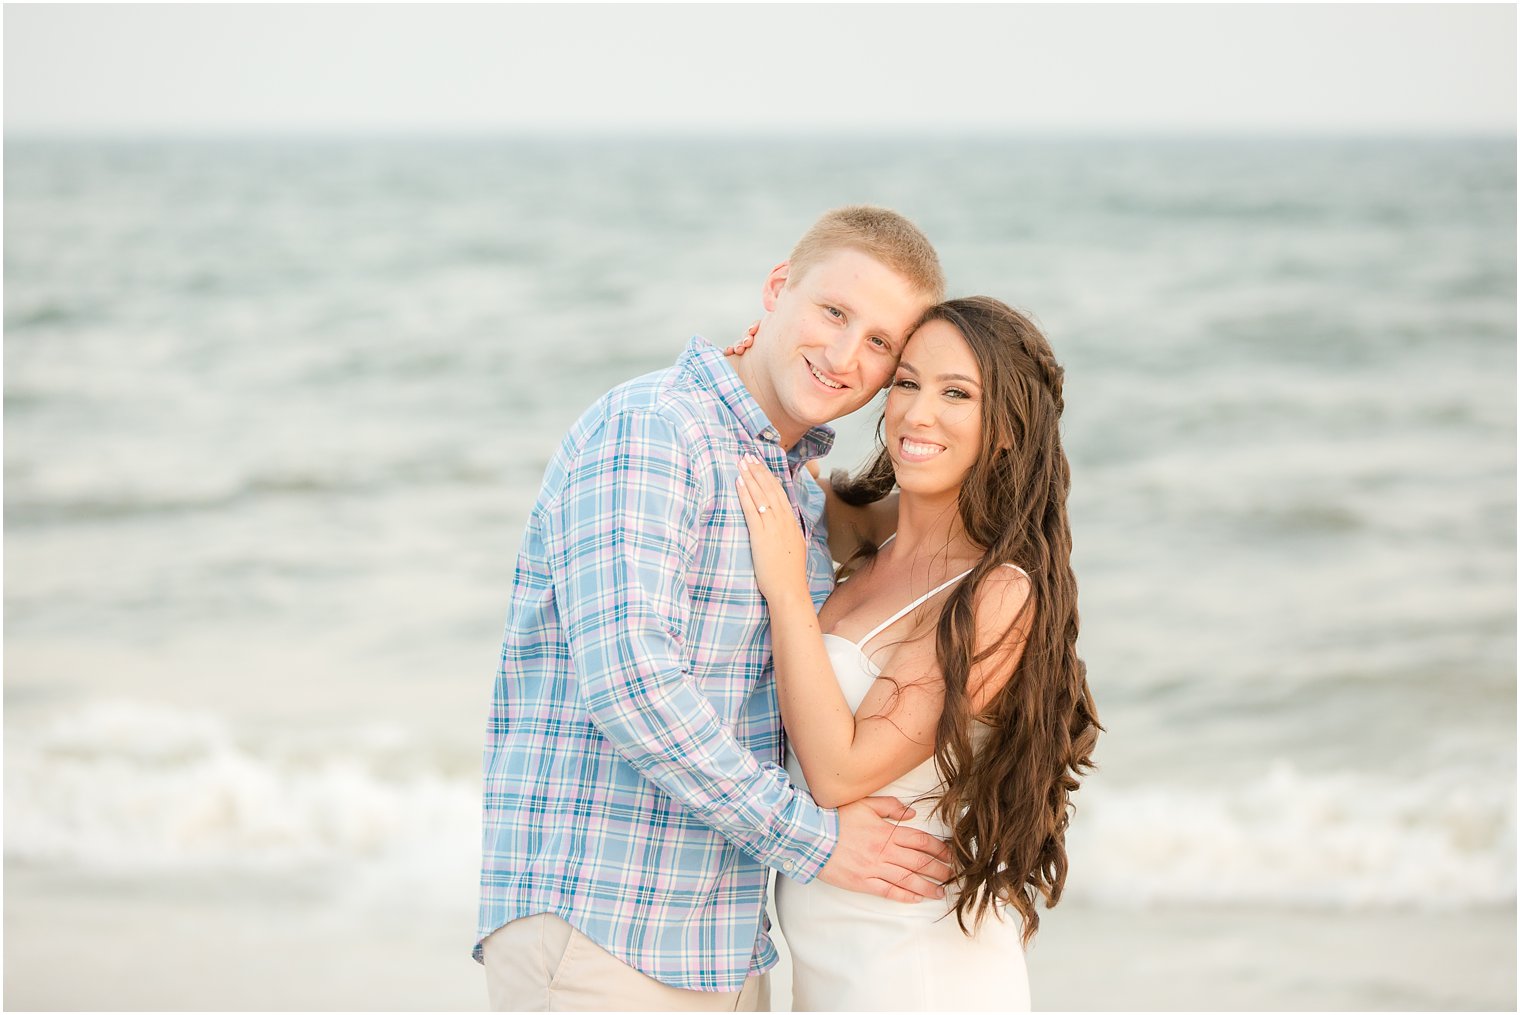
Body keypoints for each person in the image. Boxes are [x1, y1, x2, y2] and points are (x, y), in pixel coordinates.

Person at [475, 206, 956, 1011]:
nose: (845, 355)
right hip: (604, 927)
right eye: (834, 312)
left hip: (718, 945)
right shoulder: (655, 430)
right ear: (778, 289)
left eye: (880, 344)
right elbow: (632, 685)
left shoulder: (796, 492)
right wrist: (817, 841)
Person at [733, 296, 1101, 1010]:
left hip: (918, 972)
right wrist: (762, 351)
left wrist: (785, 590)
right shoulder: (873, 534)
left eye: (956, 393)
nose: (917, 413)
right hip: (831, 969)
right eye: (906, 382)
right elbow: (767, 460)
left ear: (1004, 431)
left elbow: (838, 771)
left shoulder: (999, 594)